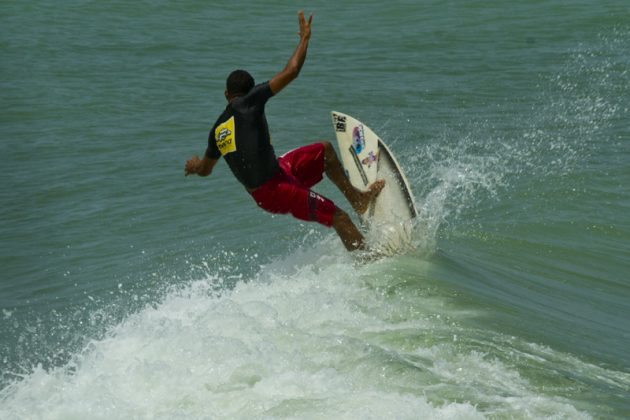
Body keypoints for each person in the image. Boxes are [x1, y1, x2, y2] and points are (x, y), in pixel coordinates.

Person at [185, 11, 383, 251]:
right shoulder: (250, 101)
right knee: (338, 217)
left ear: (226, 95)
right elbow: (291, 72)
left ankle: (359, 200)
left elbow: (205, 170)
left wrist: (194, 165)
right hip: (276, 191)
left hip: (277, 175)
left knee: (325, 151)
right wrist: (304, 39)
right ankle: (371, 263)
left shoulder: (217, 131)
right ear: (250, 92)